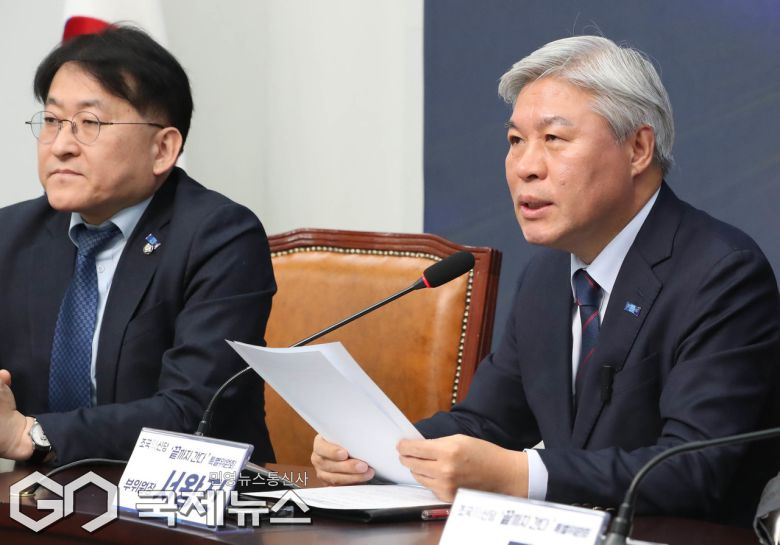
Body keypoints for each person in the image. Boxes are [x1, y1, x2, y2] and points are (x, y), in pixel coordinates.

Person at [311, 35, 780, 524]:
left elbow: (692, 471)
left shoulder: (722, 274)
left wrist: (521, 475)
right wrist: (377, 453)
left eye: (554, 139)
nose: (526, 168)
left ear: (638, 148)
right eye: (516, 141)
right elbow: (486, 422)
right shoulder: (548, 275)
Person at [0, 26, 276, 466]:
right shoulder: (11, 234)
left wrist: (30, 434)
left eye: (89, 123)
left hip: (189, 498)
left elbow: (194, 411)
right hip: (40, 498)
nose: (61, 145)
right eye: (52, 121)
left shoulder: (220, 237)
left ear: (162, 148)